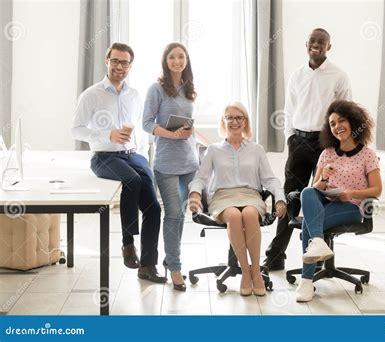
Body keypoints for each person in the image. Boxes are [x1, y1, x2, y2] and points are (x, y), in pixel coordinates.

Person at [72, 42, 165, 283]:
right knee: (131, 180)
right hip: (104, 156)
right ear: (107, 61)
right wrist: (107, 135)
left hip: (132, 154)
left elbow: (138, 129)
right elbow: (76, 130)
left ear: (130, 66)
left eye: (124, 62)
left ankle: (148, 265)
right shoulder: (91, 94)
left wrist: (141, 153)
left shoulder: (134, 95)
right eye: (115, 61)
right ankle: (127, 244)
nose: (119, 66)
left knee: (154, 208)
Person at [264, 28, 352, 271]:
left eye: (322, 42)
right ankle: (275, 255)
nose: (316, 45)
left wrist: (339, 145)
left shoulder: (338, 76)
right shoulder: (297, 75)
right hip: (299, 142)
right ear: (306, 44)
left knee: (322, 197)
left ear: (329, 47)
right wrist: (291, 138)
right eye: (313, 41)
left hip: (326, 143)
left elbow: (347, 113)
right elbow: (289, 110)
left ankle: (321, 255)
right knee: (289, 197)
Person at [188, 102, 287, 296]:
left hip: (250, 195)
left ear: (245, 122)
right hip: (223, 196)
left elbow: (270, 179)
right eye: (229, 117)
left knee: (250, 214)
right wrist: (195, 194)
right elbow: (201, 178)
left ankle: (255, 271)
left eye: (238, 117)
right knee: (234, 215)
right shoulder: (214, 150)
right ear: (223, 121)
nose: (234, 121)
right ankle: (245, 272)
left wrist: (280, 198)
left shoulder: (256, 149)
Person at [295, 100, 382, 302]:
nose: (337, 127)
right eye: (332, 124)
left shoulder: (368, 155)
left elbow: (377, 189)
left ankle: (306, 281)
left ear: (353, 122)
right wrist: (324, 178)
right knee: (308, 191)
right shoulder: (327, 153)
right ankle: (318, 242)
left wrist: (351, 193)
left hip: (350, 207)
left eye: (341, 121)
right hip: (325, 201)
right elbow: (316, 188)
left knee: (310, 223)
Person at [142, 42, 198, 292]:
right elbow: (146, 123)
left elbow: (187, 124)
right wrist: (171, 135)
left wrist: (187, 131)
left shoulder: (188, 89)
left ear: (186, 61)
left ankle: (170, 258)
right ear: (166, 61)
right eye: (173, 57)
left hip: (189, 162)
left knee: (181, 215)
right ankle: (175, 267)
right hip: (166, 162)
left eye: (181, 57)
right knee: (173, 214)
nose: (177, 61)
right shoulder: (156, 89)